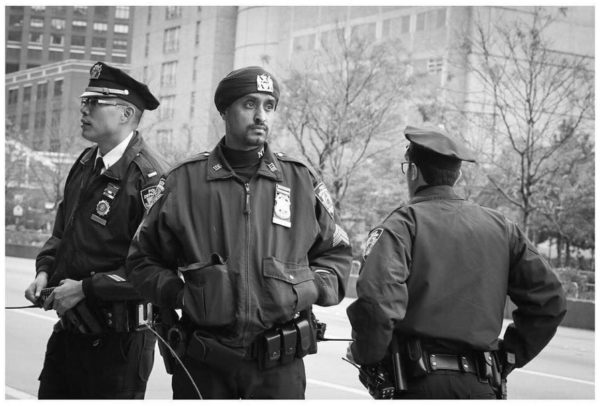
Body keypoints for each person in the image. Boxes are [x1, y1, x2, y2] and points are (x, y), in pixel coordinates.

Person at [126, 66, 353, 399]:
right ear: (225, 111)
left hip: (279, 369)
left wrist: (304, 288)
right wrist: (180, 294)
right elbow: (142, 260)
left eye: (268, 106)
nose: (261, 115)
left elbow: (336, 255)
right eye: (249, 104)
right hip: (205, 365)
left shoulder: (300, 180)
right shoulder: (183, 182)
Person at [346, 126, 567, 399]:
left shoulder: (402, 225)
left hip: (418, 385)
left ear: (412, 171)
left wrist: (366, 356)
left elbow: (377, 303)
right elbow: (550, 300)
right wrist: (509, 356)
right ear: (458, 175)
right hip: (482, 386)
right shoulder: (502, 228)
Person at [24, 61, 169, 399]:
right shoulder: (86, 162)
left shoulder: (151, 179)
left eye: (94, 103)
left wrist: (87, 289)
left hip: (119, 345)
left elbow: (156, 271)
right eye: (84, 102)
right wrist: (45, 271)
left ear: (125, 113)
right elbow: (62, 232)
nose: (84, 109)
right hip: (70, 331)